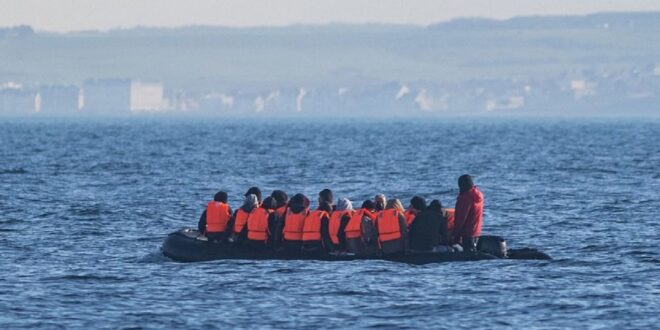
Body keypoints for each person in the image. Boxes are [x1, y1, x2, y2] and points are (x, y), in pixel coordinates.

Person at [453, 174, 484, 252]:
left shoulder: (465, 198)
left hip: (467, 233)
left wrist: (455, 234)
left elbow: (461, 218)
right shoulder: (478, 195)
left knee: (468, 255)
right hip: (476, 232)